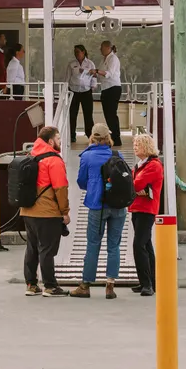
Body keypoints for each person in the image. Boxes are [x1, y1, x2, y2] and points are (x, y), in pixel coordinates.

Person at [70, 124, 127, 299]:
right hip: (118, 206)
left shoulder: (87, 156)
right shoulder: (117, 155)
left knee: (93, 244)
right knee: (114, 245)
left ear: (93, 138)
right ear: (107, 138)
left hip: (97, 206)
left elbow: (81, 181)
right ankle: (110, 285)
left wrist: (94, 188)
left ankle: (85, 285)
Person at [20, 126, 70, 296]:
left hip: (28, 211)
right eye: (58, 138)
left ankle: (31, 285)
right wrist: (65, 211)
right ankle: (50, 286)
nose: (60, 141)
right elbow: (61, 188)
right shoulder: (53, 160)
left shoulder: (31, 156)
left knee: (32, 249)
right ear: (50, 141)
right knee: (47, 250)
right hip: (47, 213)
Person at [130, 132, 164, 297]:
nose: (135, 147)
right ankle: (151, 281)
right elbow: (136, 186)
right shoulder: (141, 165)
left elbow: (136, 184)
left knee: (138, 245)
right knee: (146, 245)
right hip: (138, 208)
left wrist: (130, 185)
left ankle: (146, 284)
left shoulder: (153, 165)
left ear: (146, 147)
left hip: (146, 209)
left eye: (138, 144)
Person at [95, 40, 123, 147]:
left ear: (108, 48)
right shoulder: (104, 59)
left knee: (111, 114)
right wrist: (94, 73)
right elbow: (101, 74)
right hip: (105, 88)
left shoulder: (113, 59)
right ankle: (113, 137)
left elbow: (109, 74)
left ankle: (117, 138)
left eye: (102, 47)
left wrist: (97, 71)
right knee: (107, 115)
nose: (100, 49)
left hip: (113, 88)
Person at [66, 44, 96, 144]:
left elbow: (94, 76)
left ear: (83, 52)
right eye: (75, 52)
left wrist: (93, 86)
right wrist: (66, 89)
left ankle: (89, 135)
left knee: (88, 115)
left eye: (78, 52)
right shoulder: (71, 64)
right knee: (72, 114)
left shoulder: (90, 63)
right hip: (73, 91)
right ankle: (72, 136)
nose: (76, 54)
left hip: (86, 91)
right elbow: (67, 77)